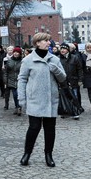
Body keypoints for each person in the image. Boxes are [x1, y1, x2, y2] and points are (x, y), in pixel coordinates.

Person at [17, 33, 67, 167]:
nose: (48, 43)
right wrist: (21, 98)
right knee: (33, 128)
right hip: (34, 100)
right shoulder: (28, 60)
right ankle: (27, 153)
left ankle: (48, 154)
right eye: (45, 40)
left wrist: (55, 69)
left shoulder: (55, 60)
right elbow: (22, 79)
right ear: (37, 43)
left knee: (50, 129)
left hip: (51, 100)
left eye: (49, 40)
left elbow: (63, 78)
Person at [3, 47, 23, 115]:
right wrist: (5, 80)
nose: (15, 53)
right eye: (14, 52)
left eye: (17, 52)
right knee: (15, 95)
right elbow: (6, 72)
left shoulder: (22, 61)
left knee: (19, 94)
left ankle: (19, 107)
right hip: (11, 80)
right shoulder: (9, 61)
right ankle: (16, 107)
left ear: (20, 53)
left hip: (20, 80)